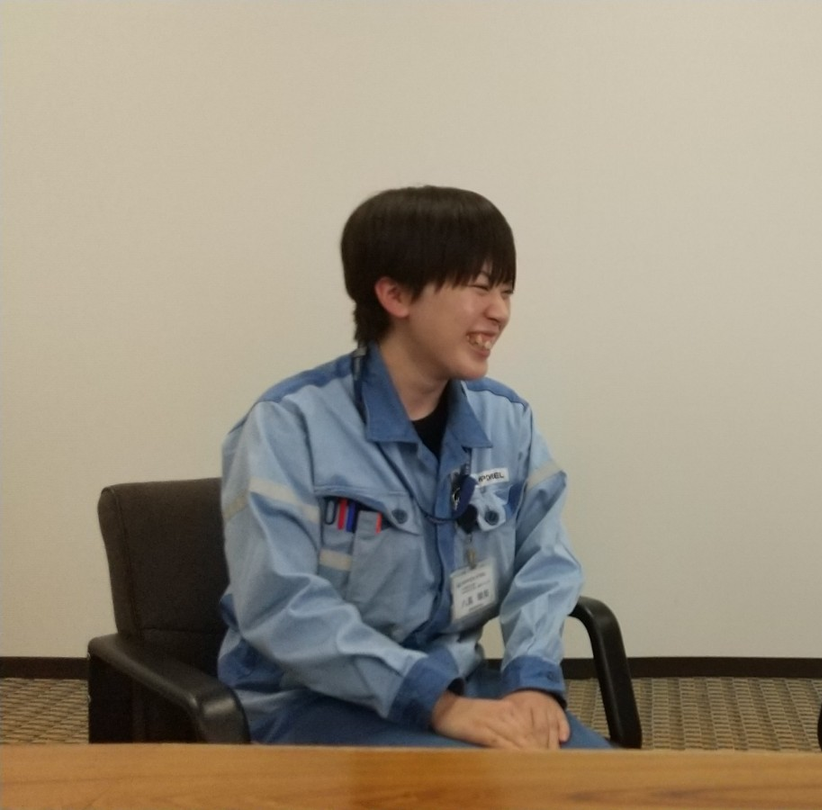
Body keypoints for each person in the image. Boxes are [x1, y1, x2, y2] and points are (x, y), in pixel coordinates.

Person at [216, 185, 609, 749]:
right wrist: (434, 703)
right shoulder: (288, 426)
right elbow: (282, 606)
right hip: (311, 701)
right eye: (479, 287)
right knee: (482, 786)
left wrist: (531, 679)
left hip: (459, 685)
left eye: (505, 291)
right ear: (396, 295)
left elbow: (545, 562)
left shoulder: (507, 422)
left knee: (601, 780)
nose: (499, 311)